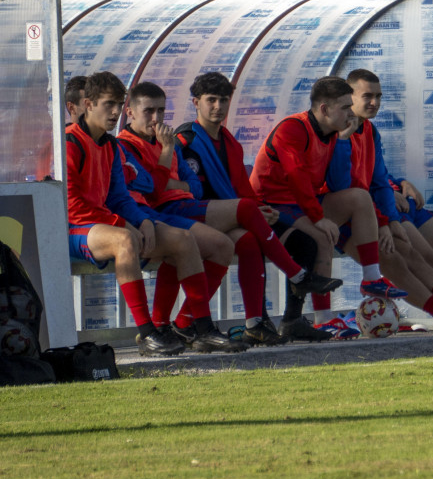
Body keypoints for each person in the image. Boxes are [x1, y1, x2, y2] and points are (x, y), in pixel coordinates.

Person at [117, 82, 329, 346]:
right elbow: (154, 190)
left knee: (244, 241)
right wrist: (167, 157)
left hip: (190, 208)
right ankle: (297, 276)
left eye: (161, 111)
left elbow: (193, 186)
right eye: (149, 111)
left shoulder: (227, 141)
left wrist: (174, 181)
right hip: (163, 213)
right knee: (243, 213)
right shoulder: (171, 141)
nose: (156, 118)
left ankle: (241, 322)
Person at [66, 71, 241, 356]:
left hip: (107, 224)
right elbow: (71, 205)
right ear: (87, 104)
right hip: (74, 228)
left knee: (183, 240)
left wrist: (143, 220)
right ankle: (148, 333)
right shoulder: (70, 141)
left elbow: (120, 197)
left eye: (117, 105)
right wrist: (124, 223)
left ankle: (203, 329)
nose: (114, 112)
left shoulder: (109, 144)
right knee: (125, 240)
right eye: (108, 104)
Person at [323, 71, 433, 335]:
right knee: (395, 257)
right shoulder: (335, 133)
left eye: (378, 96)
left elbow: (378, 180)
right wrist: (386, 219)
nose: (374, 102)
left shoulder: (370, 131)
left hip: (376, 212)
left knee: (419, 252)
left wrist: (391, 218)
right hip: (349, 217)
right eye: (367, 96)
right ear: (349, 98)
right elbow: (342, 186)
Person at [175, 72, 336, 344]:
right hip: (194, 217)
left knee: (288, 242)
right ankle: (298, 275)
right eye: (210, 100)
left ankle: (262, 323)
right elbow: (184, 191)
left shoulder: (231, 144)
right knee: (251, 222)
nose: (218, 107)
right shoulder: (185, 140)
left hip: (235, 216)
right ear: (196, 102)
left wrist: (262, 209)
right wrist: (252, 208)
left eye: (223, 100)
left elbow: (243, 191)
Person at [250, 76, 408, 338]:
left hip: (304, 202)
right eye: (345, 107)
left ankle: (371, 279)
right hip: (272, 205)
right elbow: (296, 177)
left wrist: (344, 141)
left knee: (359, 197)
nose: (350, 112)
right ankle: (320, 319)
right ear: (324, 109)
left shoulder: (335, 133)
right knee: (321, 235)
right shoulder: (293, 128)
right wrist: (319, 217)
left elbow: (343, 184)